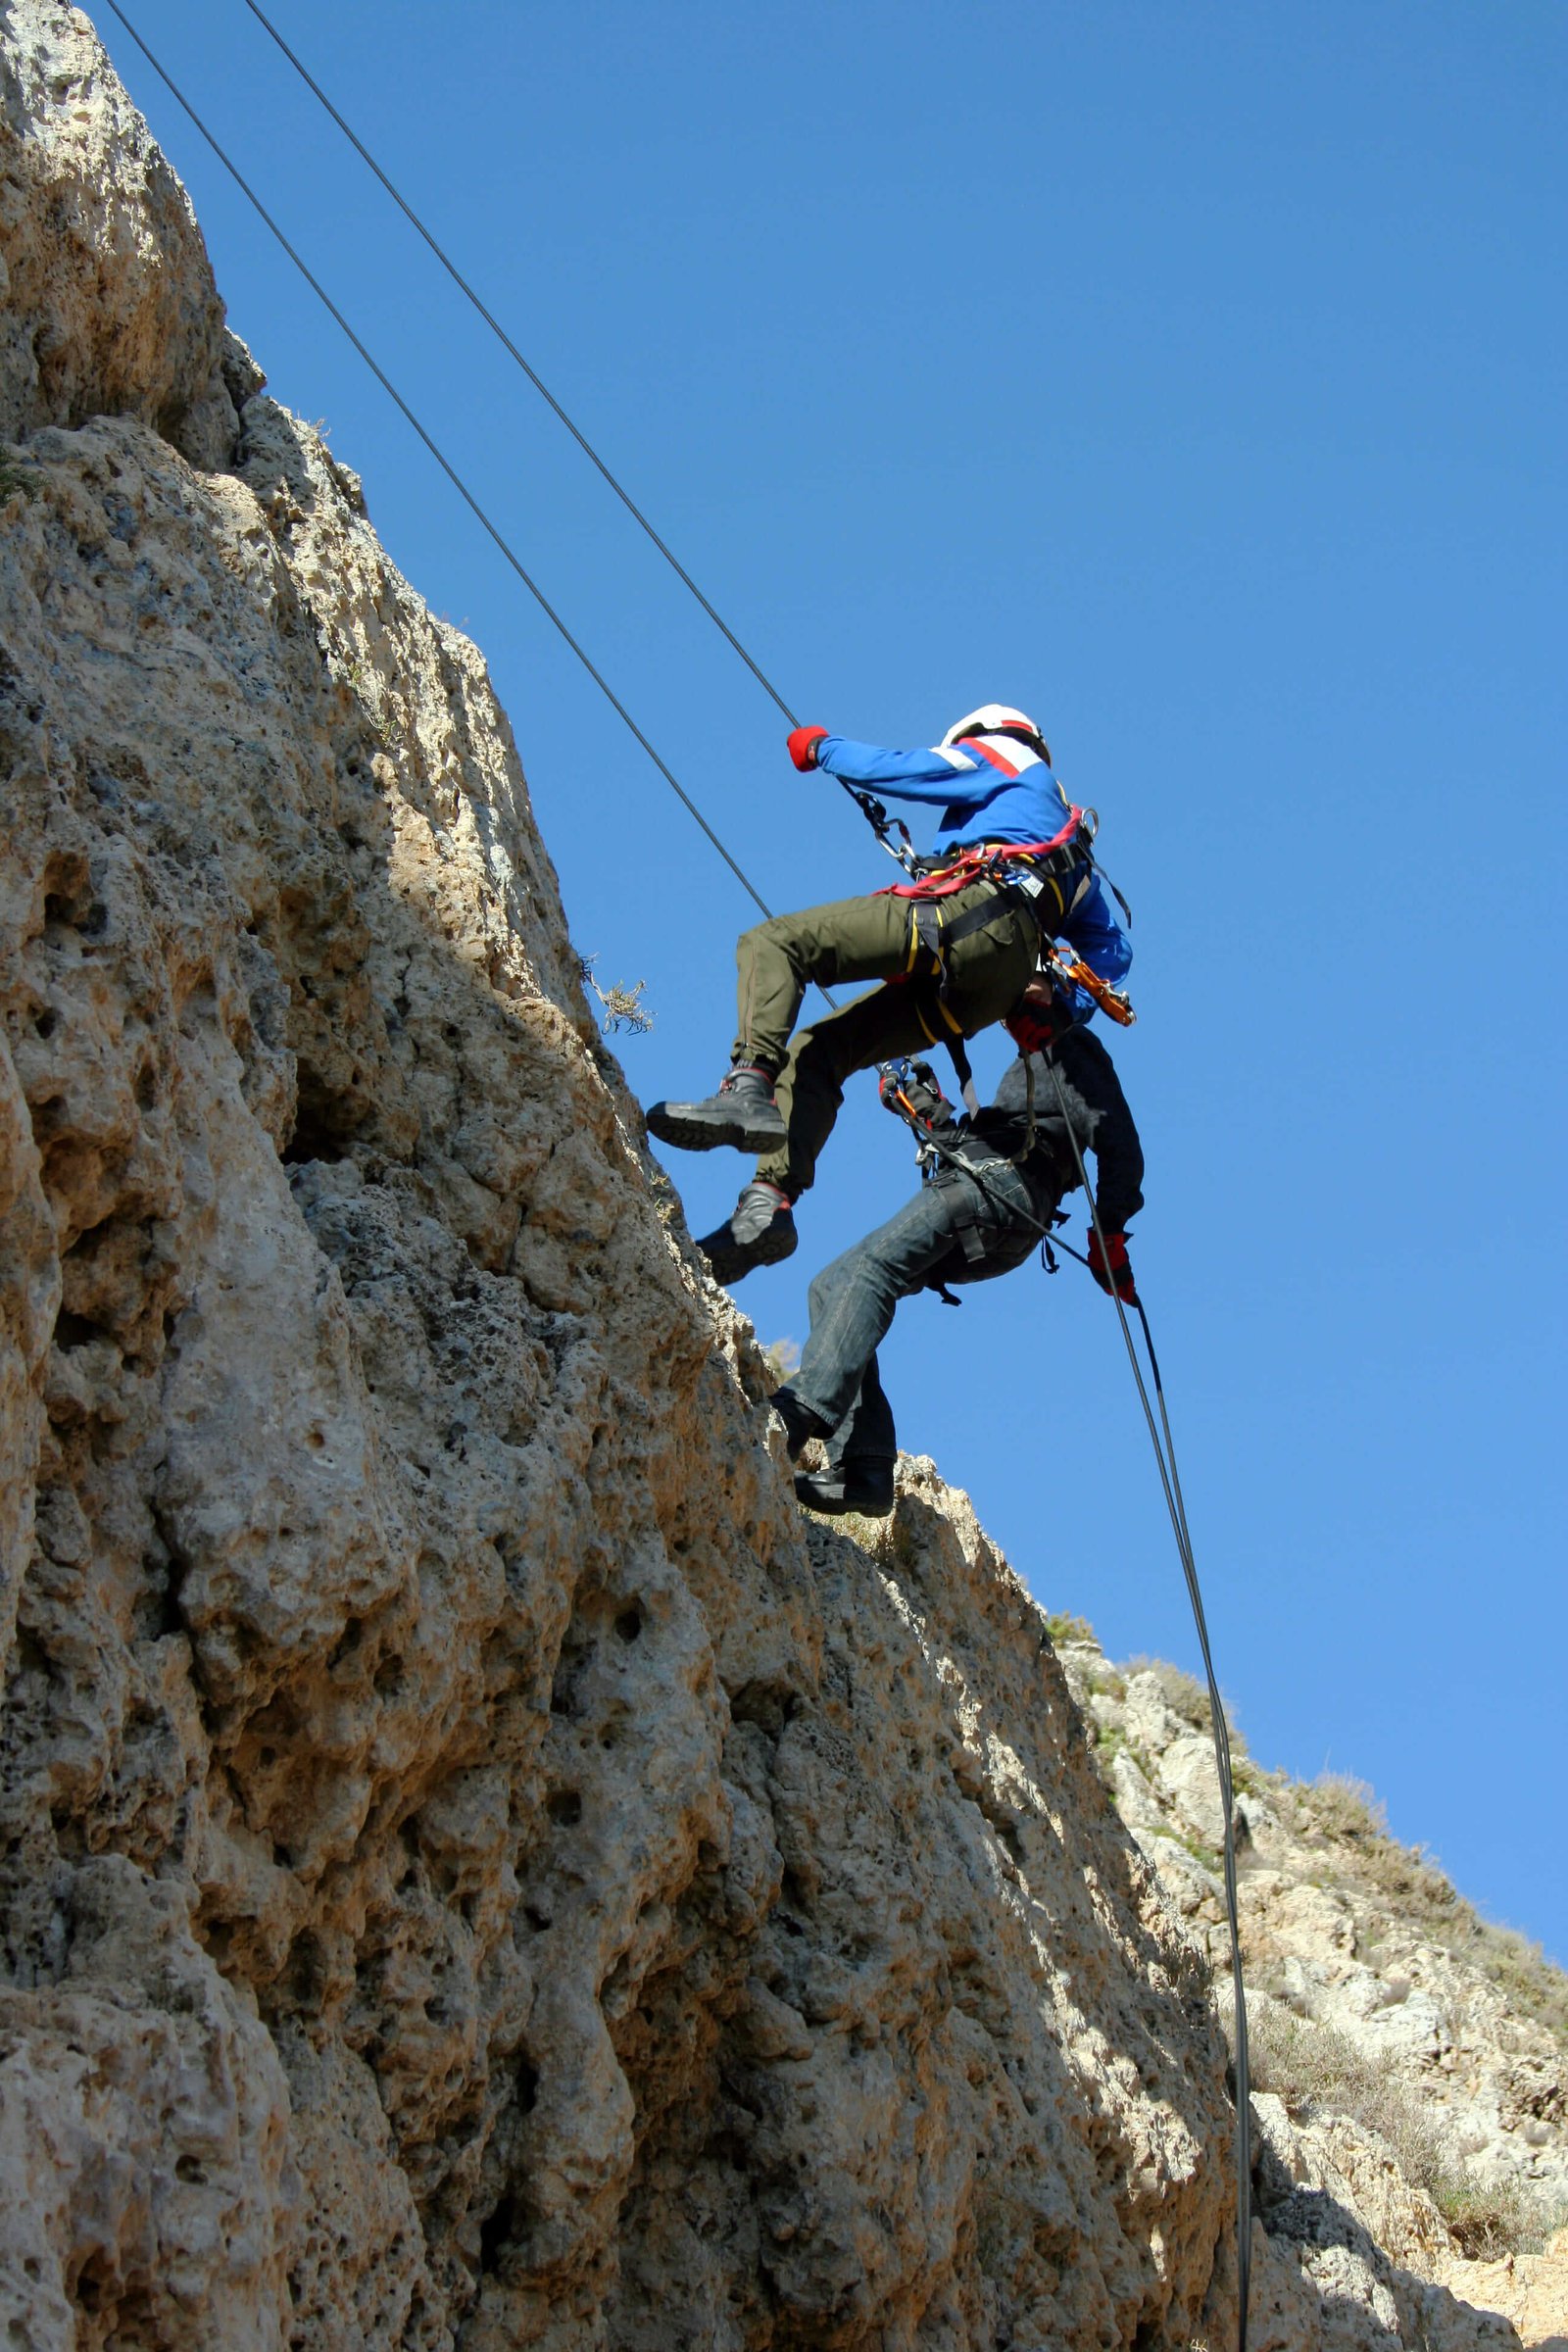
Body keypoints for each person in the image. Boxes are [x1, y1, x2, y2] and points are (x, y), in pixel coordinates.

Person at [645, 706, 1132, 1283]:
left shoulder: (1010, 755)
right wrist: (1060, 1002)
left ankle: (747, 1087)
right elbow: (1114, 951)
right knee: (821, 1051)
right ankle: (767, 1206)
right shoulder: (1075, 856)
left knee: (774, 945)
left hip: (967, 918)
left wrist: (823, 750)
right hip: (985, 991)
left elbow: (912, 770)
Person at [768, 993, 1144, 1516]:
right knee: (832, 1286)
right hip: (999, 1211)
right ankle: (864, 1467)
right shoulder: (1031, 1073)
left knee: (869, 1270)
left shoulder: (1070, 1046)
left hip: (997, 1190)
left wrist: (1110, 1231)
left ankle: (798, 1410)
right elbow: (976, 1139)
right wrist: (919, 1102)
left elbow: (1119, 1141)